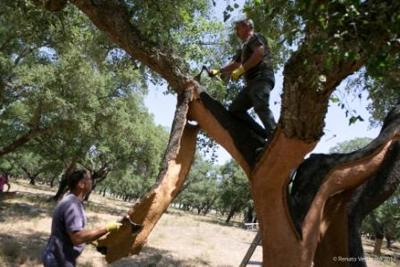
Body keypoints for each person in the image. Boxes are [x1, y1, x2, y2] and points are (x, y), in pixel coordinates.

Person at [42, 169, 122, 267]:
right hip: (59, 260)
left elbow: (71, 233)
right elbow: (77, 238)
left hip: (57, 256)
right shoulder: (72, 205)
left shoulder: (70, 200)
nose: (92, 181)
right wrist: (107, 228)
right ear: (81, 184)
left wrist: (94, 241)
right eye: (89, 179)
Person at [211, 18, 276, 139]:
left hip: (262, 77)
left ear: (247, 26)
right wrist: (219, 71)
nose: (236, 32)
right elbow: (235, 64)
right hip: (251, 83)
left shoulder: (255, 37)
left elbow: (259, 52)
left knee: (260, 106)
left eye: (238, 28)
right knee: (235, 109)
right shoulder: (243, 47)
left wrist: (242, 69)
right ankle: (264, 134)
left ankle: (275, 136)